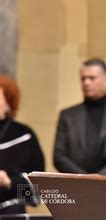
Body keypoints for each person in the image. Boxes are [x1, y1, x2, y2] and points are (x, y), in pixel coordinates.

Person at [53, 58, 106, 174]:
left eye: (92, 78)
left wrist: (100, 177)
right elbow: (59, 156)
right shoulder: (67, 115)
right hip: (75, 183)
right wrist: (83, 178)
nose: (86, 83)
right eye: (83, 79)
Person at [0, 75, 45, 215]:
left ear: (9, 103)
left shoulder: (24, 136)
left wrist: (9, 183)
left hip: (11, 214)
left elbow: (36, 193)